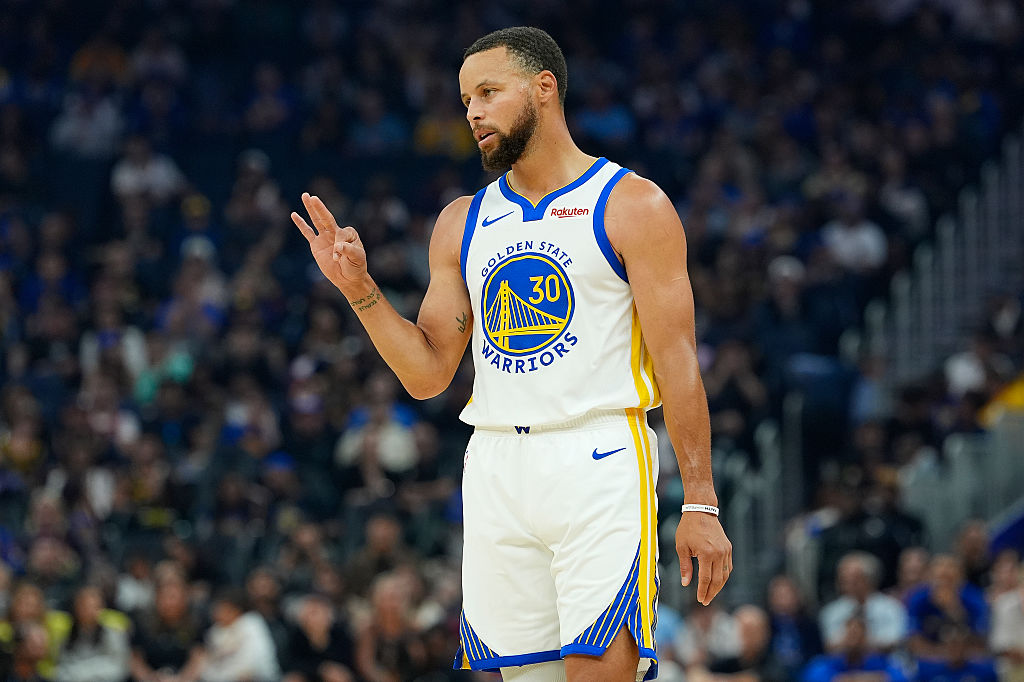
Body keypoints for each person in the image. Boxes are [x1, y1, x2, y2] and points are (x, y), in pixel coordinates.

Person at [293, 25, 731, 682]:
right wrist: (360, 291)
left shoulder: (632, 205)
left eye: (489, 92)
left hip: (598, 454)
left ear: (544, 89)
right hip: (496, 463)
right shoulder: (462, 221)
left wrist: (700, 501)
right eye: (467, 98)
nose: (473, 112)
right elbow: (426, 374)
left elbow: (678, 364)